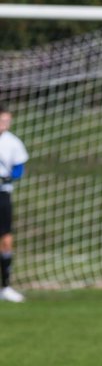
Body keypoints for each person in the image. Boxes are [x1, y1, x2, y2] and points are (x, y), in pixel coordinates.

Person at [0, 108, 31, 303]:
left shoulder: (13, 142)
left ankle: (6, 286)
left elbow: (19, 168)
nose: (5, 123)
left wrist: (9, 177)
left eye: (7, 120)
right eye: (2, 120)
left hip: (2, 194)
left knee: (6, 238)